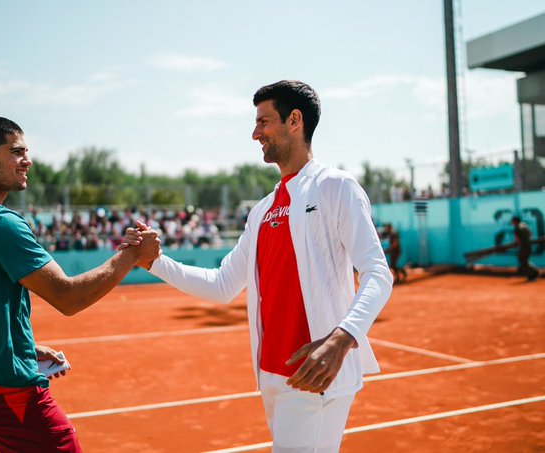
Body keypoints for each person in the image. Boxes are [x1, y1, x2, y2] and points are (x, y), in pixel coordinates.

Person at [126, 80, 393, 452]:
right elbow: (222, 284)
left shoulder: (336, 186)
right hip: (270, 374)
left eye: (264, 121)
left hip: (314, 375)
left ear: (294, 120)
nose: (255, 133)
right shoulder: (262, 209)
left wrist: (340, 340)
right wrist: (156, 262)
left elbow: (378, 274)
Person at [0, 115, 160, 453]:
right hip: (5, 395)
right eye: (16, 152)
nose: (27, 160)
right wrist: (130, 256)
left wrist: (21, 347)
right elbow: (67, 297)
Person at [511, 216, 539, 282]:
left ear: (515, 221)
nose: (511, 223)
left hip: (524, 247)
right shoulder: (524, 225)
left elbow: (517, 239)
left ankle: (532, 275)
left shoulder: (517, 228)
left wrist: (518, 243)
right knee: (525, 261)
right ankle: (535, 271)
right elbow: (530, 234)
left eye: (512, 221)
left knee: (522, 261)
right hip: (528, 245)